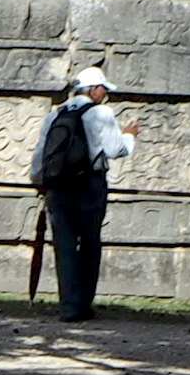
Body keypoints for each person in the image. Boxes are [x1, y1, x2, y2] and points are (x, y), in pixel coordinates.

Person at [30, 63, 133, 321]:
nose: (106, 94)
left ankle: (68, 305)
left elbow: (41, 154)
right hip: (89, 184)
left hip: (58, 186)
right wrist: (129, 136)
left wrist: (40, 181)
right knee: (89, 243)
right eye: (104, 89)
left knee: (63, 246)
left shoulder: (55, 115)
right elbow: (115, 149)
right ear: (95, 89)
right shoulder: (100, 113)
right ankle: (82, 303)